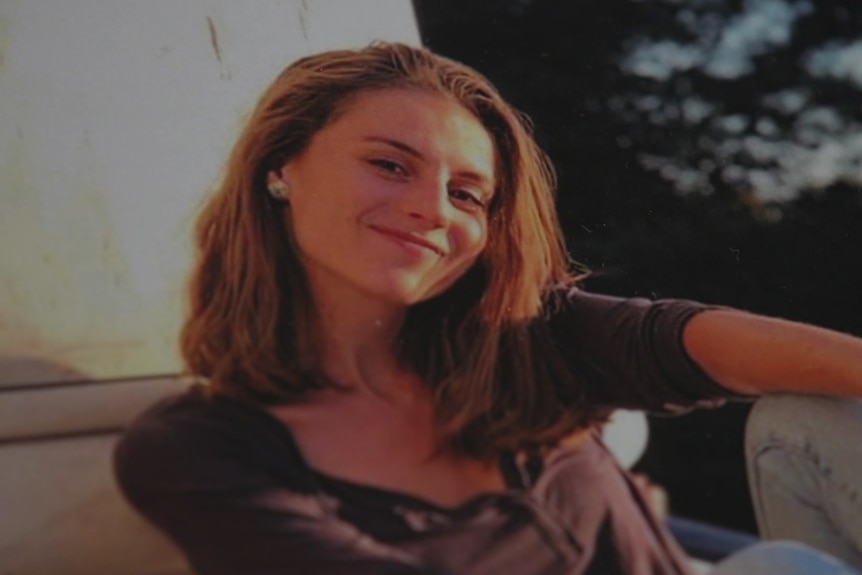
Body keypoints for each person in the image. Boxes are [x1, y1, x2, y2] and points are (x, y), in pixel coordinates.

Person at [113, 42, 862, 575]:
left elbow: (685, 338)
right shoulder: (198, 451)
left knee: (819, 417)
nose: (431, 210)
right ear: (281, 168)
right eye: (389, 164)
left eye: (467, 193)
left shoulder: (519, 337)